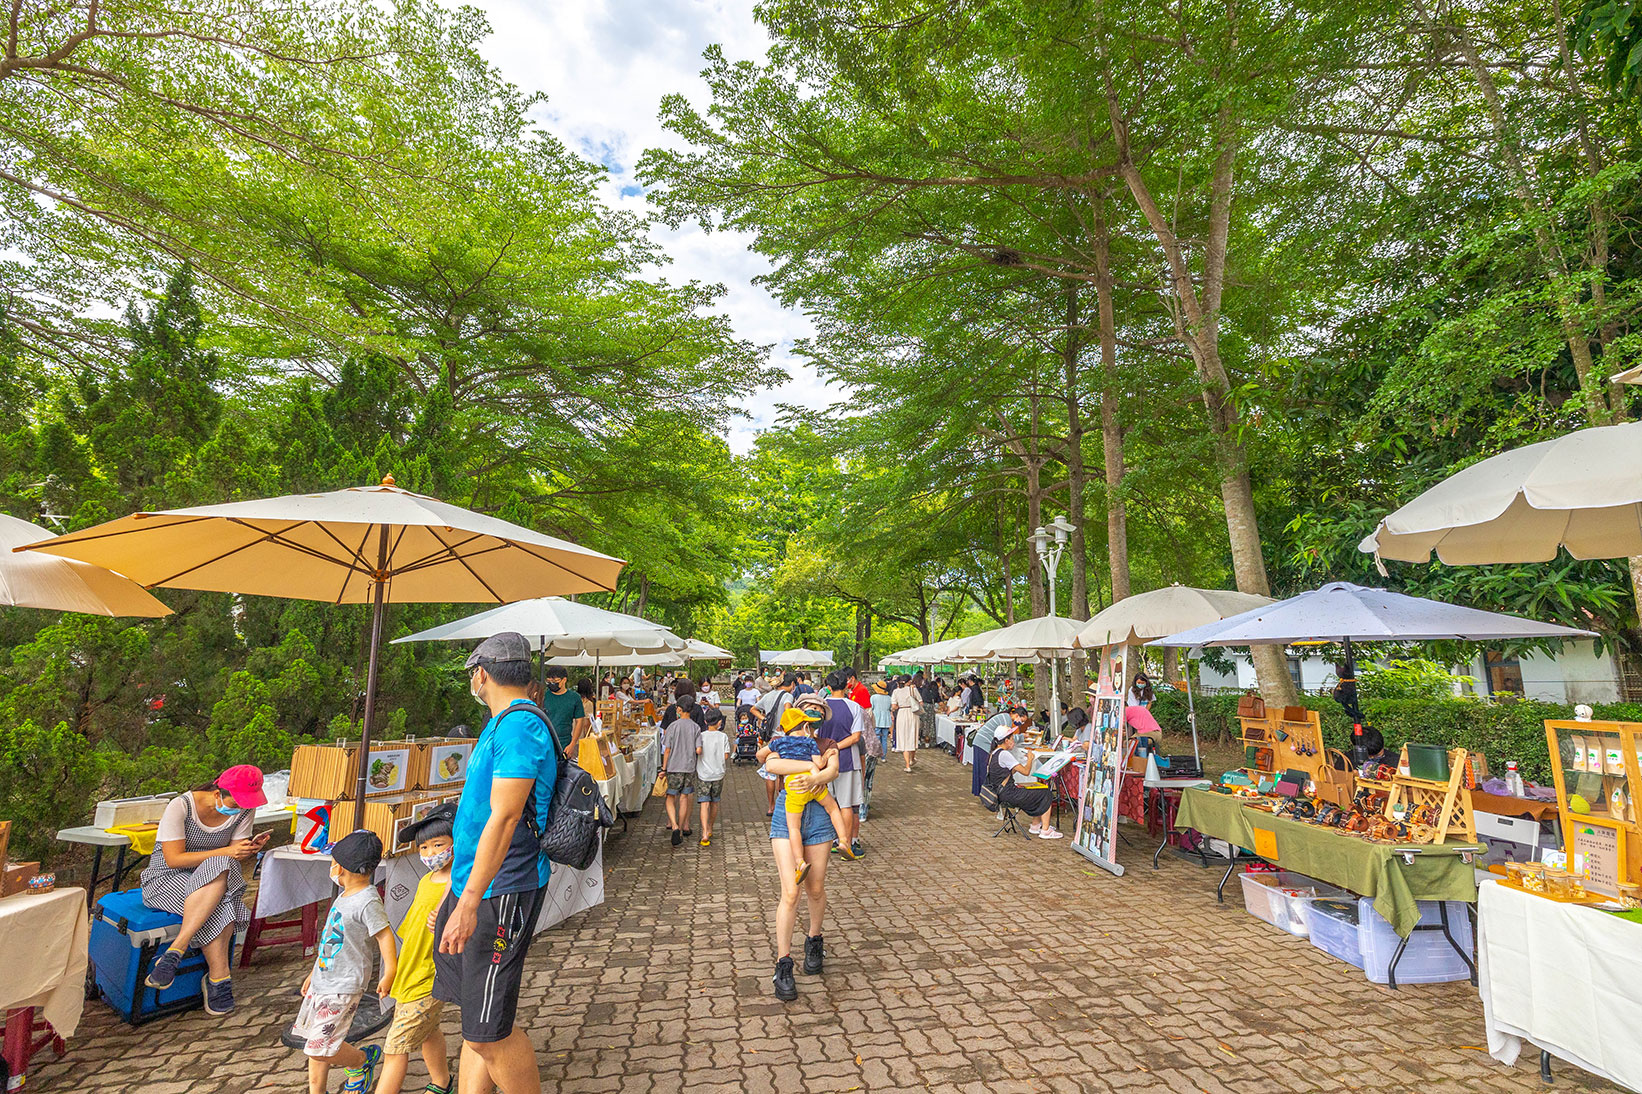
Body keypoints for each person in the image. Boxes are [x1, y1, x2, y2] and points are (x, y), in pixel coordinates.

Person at [434, 632, 556, 1094]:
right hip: (476, 884)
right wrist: (456, 890)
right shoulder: (499, 723)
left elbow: (505, 818)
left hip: (501, 889)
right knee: (474, 1022)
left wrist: (467, 902)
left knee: (490, 1033)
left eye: (471, 674)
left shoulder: (519, 727)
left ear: (481, 674)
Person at [139, 764, 270, 1013]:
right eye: (236, 804)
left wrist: (247, 849)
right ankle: (218, 979)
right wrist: (228, 852)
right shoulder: (181, 806)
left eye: (245, 804)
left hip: (214, 880)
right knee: (223, 902)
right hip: (167, 878)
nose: (240, 809)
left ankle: (176, 950)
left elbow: (232, 857)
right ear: (218, 793)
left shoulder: (244, 811)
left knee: (220, 871)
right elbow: (173, 859)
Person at [294, 830, 396, 1094]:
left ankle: (362, 1061)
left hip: (344, 985)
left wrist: (389, 972)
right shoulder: (346, 895)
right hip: (323, 980)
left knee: (318, 1047)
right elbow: (331, 939)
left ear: (339, 866)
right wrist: (313, 971)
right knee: (314, 1044)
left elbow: (385, 936)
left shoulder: (367, 900)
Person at [759, 712, 843, 1001]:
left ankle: (814, 940)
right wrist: (809, 767)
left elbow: (833, 770)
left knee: (815, 888)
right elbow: (770, 762)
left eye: (813, 719)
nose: (808, 726)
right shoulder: (784, 742)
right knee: (790, 892)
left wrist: (815, 779)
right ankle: (783, 964)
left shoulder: (827, 742)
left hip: (818, 817)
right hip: (787, 814)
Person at [376, 805, 455, 1094]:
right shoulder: (426, 880)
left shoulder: (461, 884)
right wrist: (393, 973)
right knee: (428, 1031)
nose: (431, 852)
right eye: (424, 846)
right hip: (411, 975)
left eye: (439, 844)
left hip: (429, 978)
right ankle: (442, 1082)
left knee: (395, 1047)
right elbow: (410, 934)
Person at [768, 705, 857, 883]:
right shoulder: (810, 742)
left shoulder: (779, 742)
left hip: (794, 789)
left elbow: (763, 757)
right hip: (814, 786)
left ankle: (799, 862)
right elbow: (820, 764)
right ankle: (843, 841)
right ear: (805, 725)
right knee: (833, 808)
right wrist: (814, 767)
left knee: (794, 828)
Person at [987, 714, 1062, 839]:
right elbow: (1026, 772)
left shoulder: (994, 753)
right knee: (1045, 793)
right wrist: (1030, 759)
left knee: (1037, 788)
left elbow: (1007, 773)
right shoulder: (1004, 754)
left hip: (1001, 792)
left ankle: (1035, 824)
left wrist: (1019, 765)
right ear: (1006, 741)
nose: (1013, 741)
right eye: (1012, 738)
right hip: (1009, 793)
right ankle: (1045, 830)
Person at [817, 672, 866, 857]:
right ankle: (848, 842)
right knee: (848, 804)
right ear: (847, 685)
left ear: (827, 686)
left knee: (828, 803)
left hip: (823, 760)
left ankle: (833, 839)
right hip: (847, 759)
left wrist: (828, 748)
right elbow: (856, 737)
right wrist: (836, 746)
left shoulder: (820, 707)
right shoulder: (854, 707)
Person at [662, 696, 702, 846]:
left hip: (673, 767)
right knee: (685, 797)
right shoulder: (696, 727)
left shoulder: (672, 726)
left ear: (678, 709)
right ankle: (681, 825)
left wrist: (663, 768)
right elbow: (698, 749)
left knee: (670, 797)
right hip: (689, 767)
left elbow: (667, 750)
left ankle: (674, 825)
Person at [695, 707, 732, 847]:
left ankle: (704, 833)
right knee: (714, 801)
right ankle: (710, 827)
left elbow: (698, 751)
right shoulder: (723, 737)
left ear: (705, 721)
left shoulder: (701, 735)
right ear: (720, 723)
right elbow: (726, 755)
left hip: (703, 774)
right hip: (718, 773)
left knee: (704, 803)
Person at [536, 664, 589, 758]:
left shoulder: (574, 698)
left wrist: (572, 744)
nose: (552, 684)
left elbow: (580, 721)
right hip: (544, 743)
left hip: (565, 745)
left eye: (555, 681)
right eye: (549, 681)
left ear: (564, 680)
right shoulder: (543, 696)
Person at [970, 704, 1018, 796]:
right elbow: (1007, 737)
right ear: (1015, 715)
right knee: (983, 769)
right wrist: (1021, 738)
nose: (1020, 722)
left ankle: (981, 792)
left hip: (980, 741)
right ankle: (985, 793)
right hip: (983, 743)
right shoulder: (1006, 719)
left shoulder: (1004, 717)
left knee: (981, 769)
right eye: (1021, 719)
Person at [890, 674, 921, 772]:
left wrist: (898, 706)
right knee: (913, 736)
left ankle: (907, 765)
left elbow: (894, 706)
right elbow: (921, 702)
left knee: (903, 738)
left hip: (902, 714)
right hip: (913, 714)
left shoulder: (895, 692)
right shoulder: (913, 690)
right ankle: (912, 759)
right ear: (909, 681)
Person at [918, 672, 939, 747]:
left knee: (922, 724)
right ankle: (928, 742)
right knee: (930, 725)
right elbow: (938, 700)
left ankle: (920, 740)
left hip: (923, 707)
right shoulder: (934, 692)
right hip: (930, 708)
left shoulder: (924, 689)